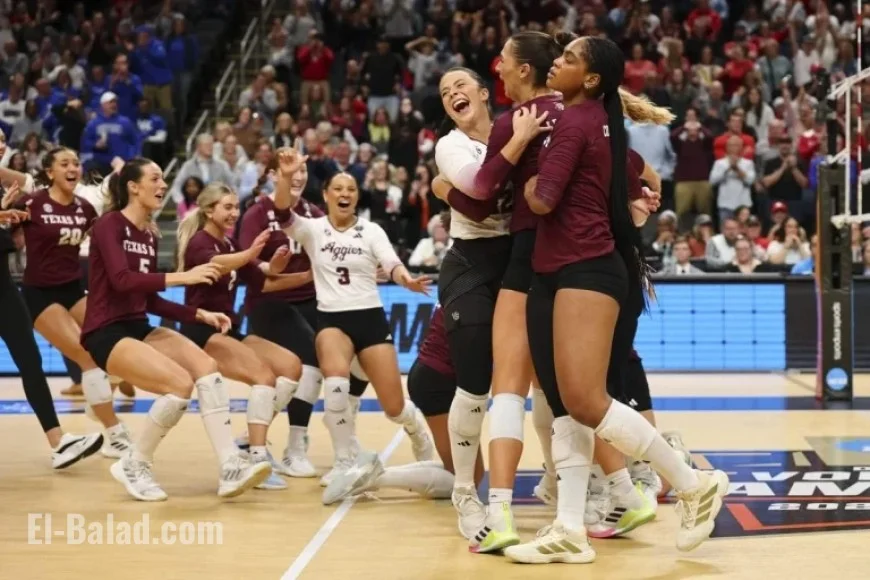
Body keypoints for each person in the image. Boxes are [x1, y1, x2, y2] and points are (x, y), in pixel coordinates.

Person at [504, 36, 728, 564]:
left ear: (590, 79)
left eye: (569, 58)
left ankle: (691, 483)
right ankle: (569, 528)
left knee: (585, 400)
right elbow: (638, 177)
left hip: (583, 267)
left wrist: (527, 177)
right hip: (559, 268)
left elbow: (543, 198)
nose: (557, 61)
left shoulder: (575, 122)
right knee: (563, 404)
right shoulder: (599, 121)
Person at [80, 157, 271, 502]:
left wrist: (198, 314)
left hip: (138, 324)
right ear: (133, 187)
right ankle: (135, 464)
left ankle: (230, 465)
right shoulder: (110, 224)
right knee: (179, 385)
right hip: (105, 330)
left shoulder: (149, 235)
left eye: (163, 179)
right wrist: (184, 277)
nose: (163, 185)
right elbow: (122, 281)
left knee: (207, 368)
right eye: (155, 178)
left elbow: (151, 300)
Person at [272, 150, 435, 493]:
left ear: (357, 197)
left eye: (351, 189)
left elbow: (391, 262)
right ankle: (344, 461)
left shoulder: (371, 230)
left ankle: (417, 430)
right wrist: (285, 176)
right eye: (338, 189)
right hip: (332, 319)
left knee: (394, 407)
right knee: (335, 387)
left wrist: (405, 279)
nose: (345, 194)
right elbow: (283, 213)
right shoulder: (313, 230)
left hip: (370, 318)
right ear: (326, 195)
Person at [322, 215, 476, 505]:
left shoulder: (461, 264)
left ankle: (373, 471)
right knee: (466, 480)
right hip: (438, 379)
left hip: (434, 373)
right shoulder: (476, 275)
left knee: (460, 471)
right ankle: (376, 476)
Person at [238, 159, 372, 484]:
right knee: (312, 357)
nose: (298, 176)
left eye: (302, 171)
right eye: (290, 171)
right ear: (273, 175)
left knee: (363, 353)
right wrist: (282, 270)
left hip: (312, 300)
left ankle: (344, 429)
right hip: (269, 303)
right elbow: (250, 269)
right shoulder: (257, 213)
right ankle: (294, 448)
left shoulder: (312, 212)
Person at [176, 181, 312, 490]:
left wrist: (308, 275)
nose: (234, 213)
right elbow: (216, 264)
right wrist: (250, 253)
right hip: (200, 330)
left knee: (291, 366)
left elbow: (264, 283)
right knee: (263, 377)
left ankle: (251, 439)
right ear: (208, 210)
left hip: (227, 328)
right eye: (227, 207)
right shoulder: (200, 242)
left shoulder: (229, 244)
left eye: (236, 207)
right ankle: (258, 457)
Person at [2, 148, 132, 457]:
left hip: (72, 289)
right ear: (49, 172)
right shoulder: (31, 203)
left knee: (116, 342)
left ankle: (97, 401)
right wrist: (10, 226)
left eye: (76, 163)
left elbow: (102, 243)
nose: (72, 168)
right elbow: (12, 240)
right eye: (64, 164)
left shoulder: (85, 208)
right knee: (85, 356)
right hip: (39, 293)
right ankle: (115, 435)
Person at [431, 66, 514, 540]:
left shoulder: (514, 127)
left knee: (543, 383)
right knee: (475, 385)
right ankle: (465, 490)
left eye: (460, 85)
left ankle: (559, 480)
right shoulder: (450, 144)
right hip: (471, 263)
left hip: (520, 261)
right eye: (445, 92)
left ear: (484, 93)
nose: (452, 94)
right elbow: (481, 196)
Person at [0, 204, 104, 468]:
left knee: (31, 363)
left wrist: (13, 224)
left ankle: (59, 443)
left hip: (5, 293)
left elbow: (13, 241)